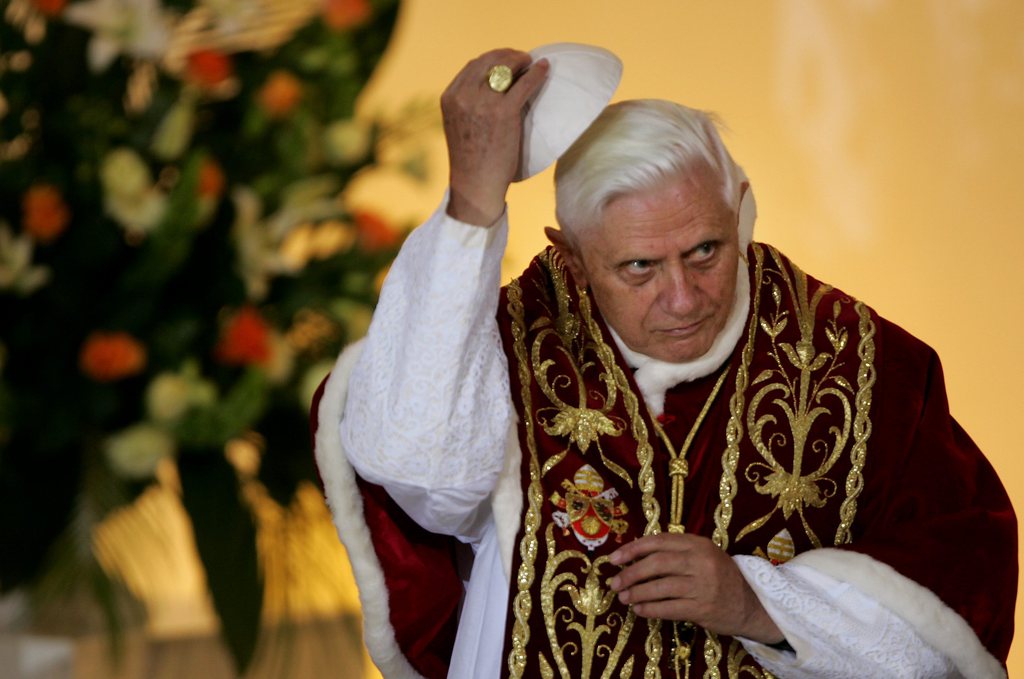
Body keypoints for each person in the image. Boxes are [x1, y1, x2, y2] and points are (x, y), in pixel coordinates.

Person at [311, 47, 1017, 678]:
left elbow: (952, 617)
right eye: (640, 266)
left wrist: (757, 603)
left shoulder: (863, 364)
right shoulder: (499, 345)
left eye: (705, 250)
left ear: (740, 209)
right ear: (574, 260)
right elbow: (415, 473)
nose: (682, 297)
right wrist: (472, 203)